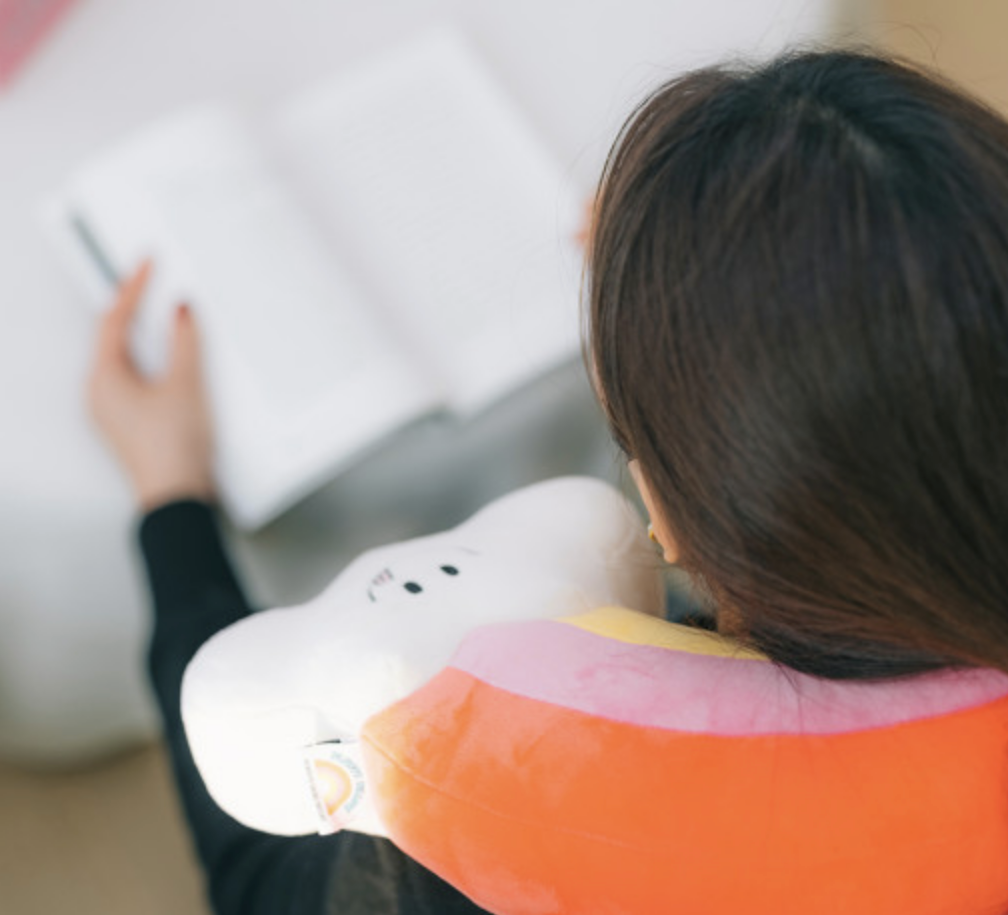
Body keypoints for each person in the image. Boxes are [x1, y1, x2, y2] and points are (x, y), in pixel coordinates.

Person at [88, 47, 1008, 913]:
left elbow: (262, 877)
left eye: (628, 433)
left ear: (677, 531)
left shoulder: (540, 811)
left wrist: (170, 500)